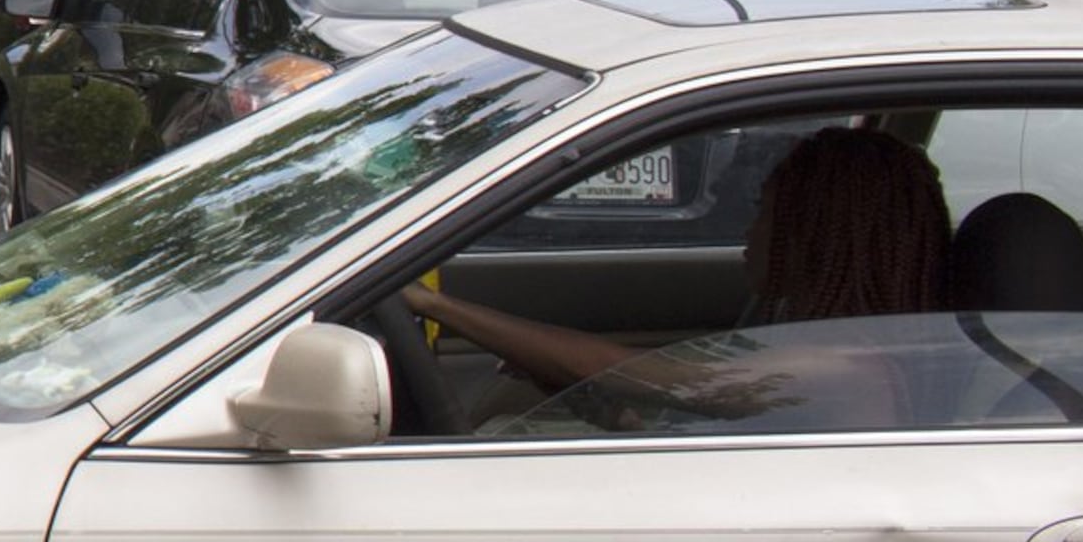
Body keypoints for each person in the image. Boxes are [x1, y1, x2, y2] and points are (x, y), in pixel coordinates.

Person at [405, 125, 954, 426]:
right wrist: (611, 411)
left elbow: (669, 377)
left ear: (815, 234)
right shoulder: (827, 337)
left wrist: (436, 306)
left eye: (765, 211)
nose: (750, 232)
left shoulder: (842, 363)